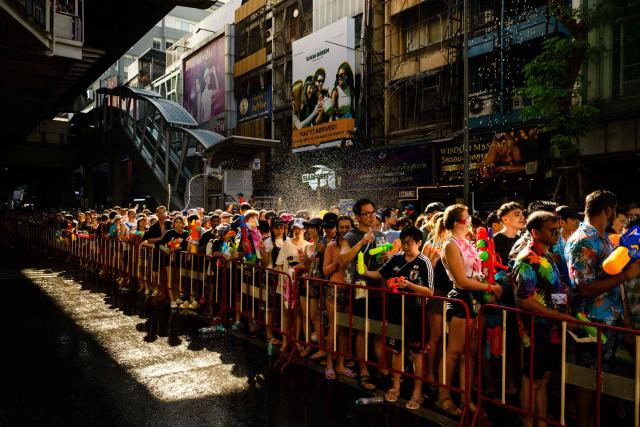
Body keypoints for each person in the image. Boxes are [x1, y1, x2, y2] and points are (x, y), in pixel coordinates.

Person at [565, 190, 640, 427]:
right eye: (614, 211)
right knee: (588, 378)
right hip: (592, 322)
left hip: (611, 320)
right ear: (608, 210)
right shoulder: (583, 240)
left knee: (604, 379)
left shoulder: (604, 238)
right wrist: (626, 275)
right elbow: (583, 288)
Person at [437, 204, 503, 416]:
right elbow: (462, 281)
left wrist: (487, 282)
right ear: (458, 223)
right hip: (462, 300)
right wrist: (490, 287)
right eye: (468, 219)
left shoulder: (467, 243)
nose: (472, 223)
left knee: (471, 353)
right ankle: (444, 397)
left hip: (477, 301)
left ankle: (467, 398)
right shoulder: (450, 245)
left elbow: (476, 274)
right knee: (454, 352)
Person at [514, 211, 575, 427]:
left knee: (544, 379)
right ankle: (528, 422)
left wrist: (565, 299)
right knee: (532, 379)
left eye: (558, 229)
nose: (557, 234)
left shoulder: (548, 256)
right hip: (534, 329)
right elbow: (524, 300)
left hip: (551, 328)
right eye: (552, 230)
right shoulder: (527, 259)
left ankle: (541, 422)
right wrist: (559, 314)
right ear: (535, 233)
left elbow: (552, 291)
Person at [365, 225, 434, 410]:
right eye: (403, 242)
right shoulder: (396, 258)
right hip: (396, 311)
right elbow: (379, 273)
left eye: (409, 243)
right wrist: (364, 271)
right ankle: (395, 386)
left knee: (417, 353)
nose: (405, 246)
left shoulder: (424, 262)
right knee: (396, 350)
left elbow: (429, 292)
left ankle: (417, 392)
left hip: (416, 313)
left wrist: (409, 285)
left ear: (419, 243)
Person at [338, 198, 388, 391]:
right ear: (357, 217)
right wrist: (360, 243)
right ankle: (364, 369)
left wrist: (386, 257)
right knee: (361, 330)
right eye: (367, 213)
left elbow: (382, 260)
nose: (371, 216)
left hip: (379, 285)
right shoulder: (350, 236)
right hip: (359, 288)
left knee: (378, 329)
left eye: (373, 212)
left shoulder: (380, 234)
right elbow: (342, 260)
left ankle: (382, 367)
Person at [323, 214, 357, 380]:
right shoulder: (331, 246)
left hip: (351, 290)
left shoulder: (357, 244)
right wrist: (338, 261)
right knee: (334, 327)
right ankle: (329, 363)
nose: (344, 230)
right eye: (341, 227)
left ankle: (341, 364)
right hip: (335, 289)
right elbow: (326, 271)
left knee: (345, 329)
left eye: (347, 227)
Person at [421, 213, 452, 389]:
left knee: (446, 337)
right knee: (436, 335)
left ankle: (441, 373)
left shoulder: (455, 244)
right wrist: (434, 259)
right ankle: (430, 372)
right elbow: (424, 274)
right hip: (436, 293)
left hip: (451, 294)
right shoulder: (430, 245)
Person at [275, 217, 309, 353]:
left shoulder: (308, 245)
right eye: (295, 228)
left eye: (300, 228)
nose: (297, 231)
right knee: (286, 312)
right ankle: (284, 341)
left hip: (300, 284)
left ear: (304, 230)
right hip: (286, 284)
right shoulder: (286, 243)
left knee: (299, 313)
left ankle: (296, 340)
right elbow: (279, 264)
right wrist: (282, 280)